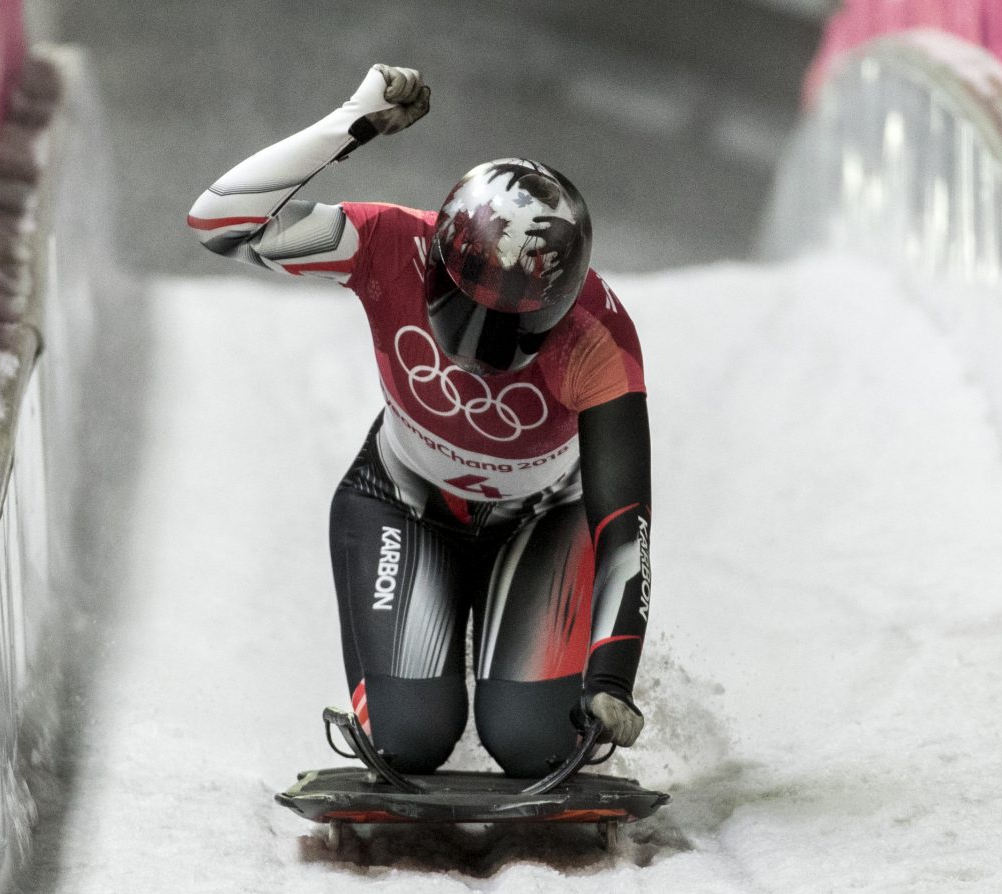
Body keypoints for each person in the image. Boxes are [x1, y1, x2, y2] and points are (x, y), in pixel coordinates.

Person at [188, 65, 653, 778]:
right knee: (412, 739)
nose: (478, 344)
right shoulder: (388, 241)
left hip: (544, 520)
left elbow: (625, 524)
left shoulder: (600, 336)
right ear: (437, 257)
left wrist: (612, 679)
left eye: (514, 321)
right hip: (403, 501)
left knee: (534, 744)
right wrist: (350, 122)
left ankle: (521, 676)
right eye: (467, 303)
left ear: (564, 301)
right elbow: (218, 222)